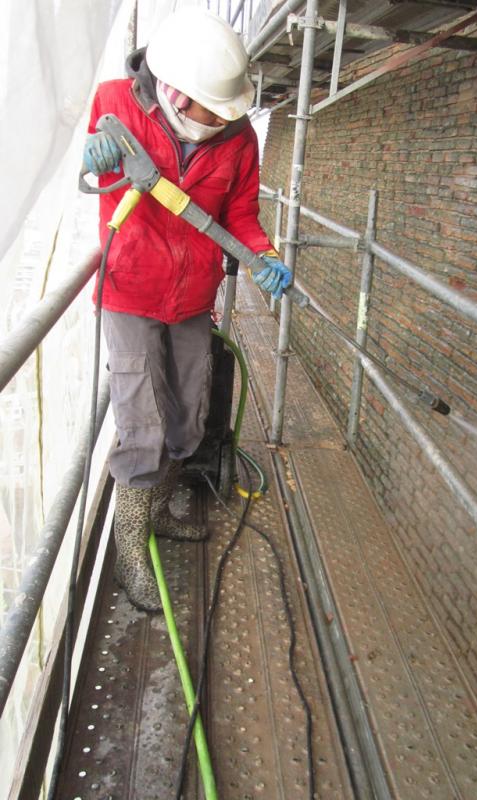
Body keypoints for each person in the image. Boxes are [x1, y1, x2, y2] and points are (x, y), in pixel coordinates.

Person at [83, 7, 291, 612]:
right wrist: (93, 155)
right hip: (130, 293)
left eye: (232, 113)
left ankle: (158, 515)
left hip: (194, 298)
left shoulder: (236, 137)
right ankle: (131, 549)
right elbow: (89, 171)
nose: (224, 122)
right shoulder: (116, 103)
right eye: (213, 110)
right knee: (141, 427)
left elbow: (242, 217)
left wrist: (264, 254)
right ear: (175, 91)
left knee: (189, 421)